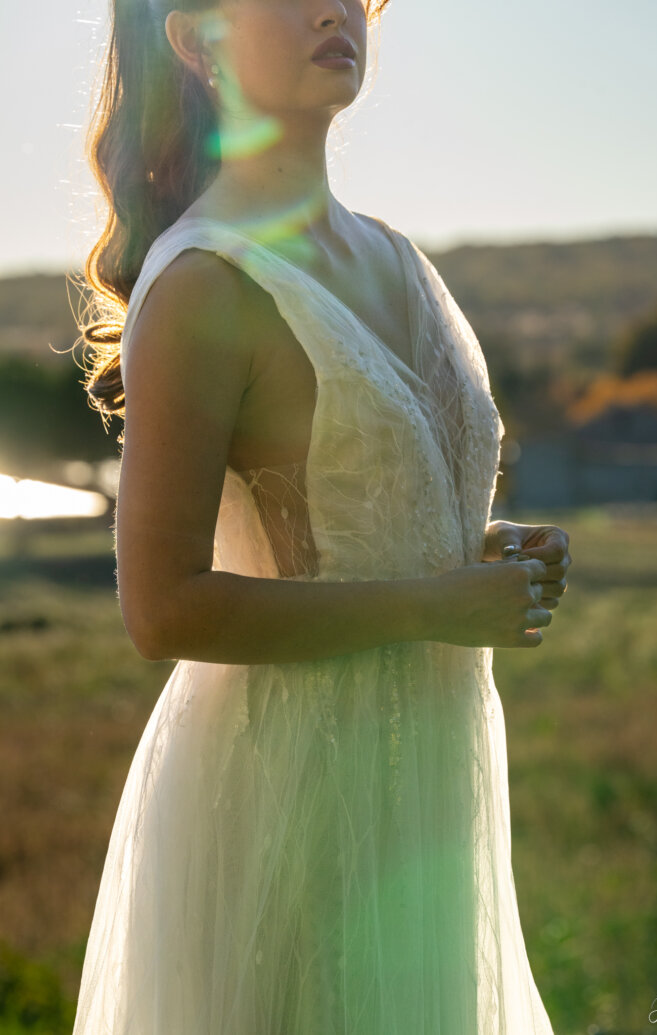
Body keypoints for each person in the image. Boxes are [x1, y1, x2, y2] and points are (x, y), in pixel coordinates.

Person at [72, 0, 571, 1031]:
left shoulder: (402, 260)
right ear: (197, 41)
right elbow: (163, 611)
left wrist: (486, 556)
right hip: (283, 809)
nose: (332, 9)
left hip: (430, 800)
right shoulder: (206, 285)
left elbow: (360, 525)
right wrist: (436, 605)